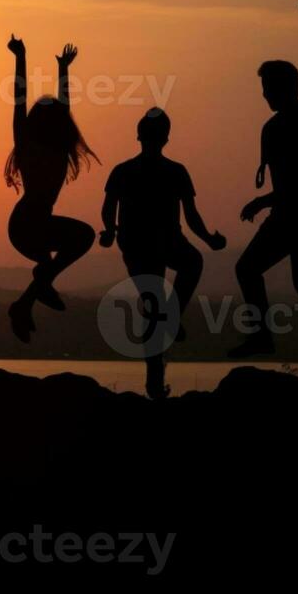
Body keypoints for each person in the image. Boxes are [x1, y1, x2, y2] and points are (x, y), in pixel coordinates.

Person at [230, 0, 298, 358]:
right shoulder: (272, 127)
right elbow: (286, 185)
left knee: (295, 281)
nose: (265, 94)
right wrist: (267, 202)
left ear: (290, 88)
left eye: (270, 87)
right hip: (291, 214)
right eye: (263, 88)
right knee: (297, 281)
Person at [100, 107, 227, 399]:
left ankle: (156, 376)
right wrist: (208, 239)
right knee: (161, 298)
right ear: (166, 138)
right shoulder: (169, 171)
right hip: (144, 244)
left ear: (139, 136)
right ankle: (155, 379)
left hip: (146, 243)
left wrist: (109, 231)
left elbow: (109, 210)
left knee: (159, 304)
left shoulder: (129, 171)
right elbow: (191, 217)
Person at [4, 37, 98, 343]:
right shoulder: (31, 146)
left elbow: (51, 106)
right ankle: (35, 291)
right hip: (28, 225)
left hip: (28, 227)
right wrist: (22, 58)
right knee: (81, 238)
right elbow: (20, 100)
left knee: (60, 257)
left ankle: (24, 305)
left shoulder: (55, 147)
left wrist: (62, 69)